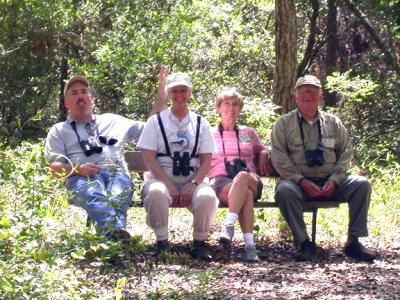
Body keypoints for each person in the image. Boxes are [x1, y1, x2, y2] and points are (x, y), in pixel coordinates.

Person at [45, 72, 165, 240]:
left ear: (91, 99)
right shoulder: (59, 130)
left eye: (84, 91)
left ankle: (111, 240)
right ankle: (115, 237)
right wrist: (78, 169)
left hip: (118, 175)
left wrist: (162, 93)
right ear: (66, 103)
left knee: (116, 195)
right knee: (94, 193)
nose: (80, 95)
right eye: (74, 93)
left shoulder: (113, 121)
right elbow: (55, 169)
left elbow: (150, 129)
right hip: (81, 179)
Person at [271, 75, 376, 262]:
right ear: (296, 96)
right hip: (298, 184)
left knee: (361, 184)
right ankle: (304, 244)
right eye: (302, 91)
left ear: (321, 96)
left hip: (331, 183)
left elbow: (345, 154)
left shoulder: (333, 123)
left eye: (312, 91)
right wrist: (300, 180)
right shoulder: (284, 124)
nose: (307, 95)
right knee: (284, 191)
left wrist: (334, 180)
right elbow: (279, 158)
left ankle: (354, 242)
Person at [137, 70, 219, 262]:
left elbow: (207, 159)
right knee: (156, 191)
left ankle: (199, 243)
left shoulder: (201, 123)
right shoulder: (156, 122)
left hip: (191, 178)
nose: (179, 95)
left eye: (183, 90)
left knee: (207, 195)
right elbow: (148, 158)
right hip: (160, 178)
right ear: (168, 93)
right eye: (174, 91)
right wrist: (169, 184)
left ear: (189, 93)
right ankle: (162, 243)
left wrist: (194, 183)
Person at [208, 88, 271, 262]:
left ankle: (228, 225)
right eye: (226, 103)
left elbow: (261, 148)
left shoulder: (248, 132)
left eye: (235, 104)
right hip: (221, 181)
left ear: (240, 109)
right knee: (246, 194)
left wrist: (264, 153)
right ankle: (250, 247)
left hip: (250, 177)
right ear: (219, 108)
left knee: (243, 177)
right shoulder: (209, 133)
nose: (231, 108)